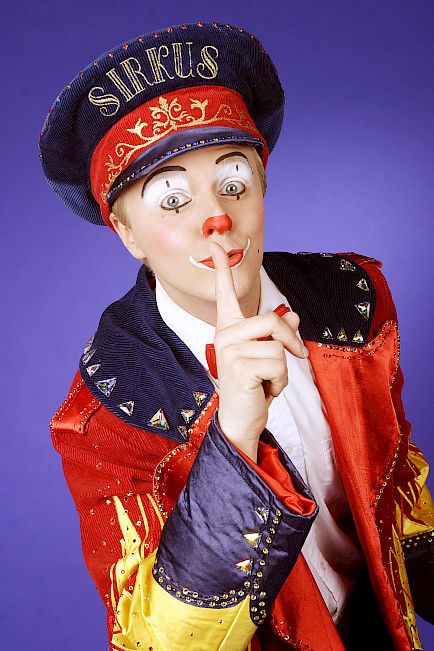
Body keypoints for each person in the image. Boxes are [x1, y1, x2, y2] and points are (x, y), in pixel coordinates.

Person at [40, 22, 433, 651]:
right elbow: (156, 641)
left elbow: (397, 490)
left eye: (232, 184)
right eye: (172, 199)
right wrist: (235, 438)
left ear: (263, 187)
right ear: (127, 232)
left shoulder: (352, 300)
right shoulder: (106, 414)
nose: (215, 218)